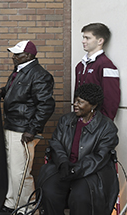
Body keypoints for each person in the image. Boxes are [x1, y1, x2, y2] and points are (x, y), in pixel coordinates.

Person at [0, 40, 55, 214]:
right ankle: (12, 203)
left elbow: (46, 105)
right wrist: (3, 91)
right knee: (12, 169)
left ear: (28, 56)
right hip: (12, 126)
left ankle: (26, 208)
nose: (13, 57)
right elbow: (20, 93)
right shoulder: (20, 71)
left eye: (17, 54)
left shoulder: (40, 75)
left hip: (23, 131)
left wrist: (32, 129)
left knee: (20, 172)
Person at [37, 83, 119, 214]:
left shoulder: (107, 127)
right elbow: (56, 143)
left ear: (93, 105)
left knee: (80, 197)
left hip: (91, 171)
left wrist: (76, 169)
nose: (75, 104)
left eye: (80, 102)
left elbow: (100, 156)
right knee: (49, 190)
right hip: (63, 167)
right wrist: (63, 162)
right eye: (75, 100)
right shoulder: (65, 120)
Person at [75, 23, 120, 120]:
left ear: (100, 41)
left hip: (97, 122)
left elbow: (111, 98)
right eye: (83, 37)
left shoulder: (106, 65)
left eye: (87, 38)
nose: (83, 41)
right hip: (81, 119)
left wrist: (104, 123)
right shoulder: (79, 66)